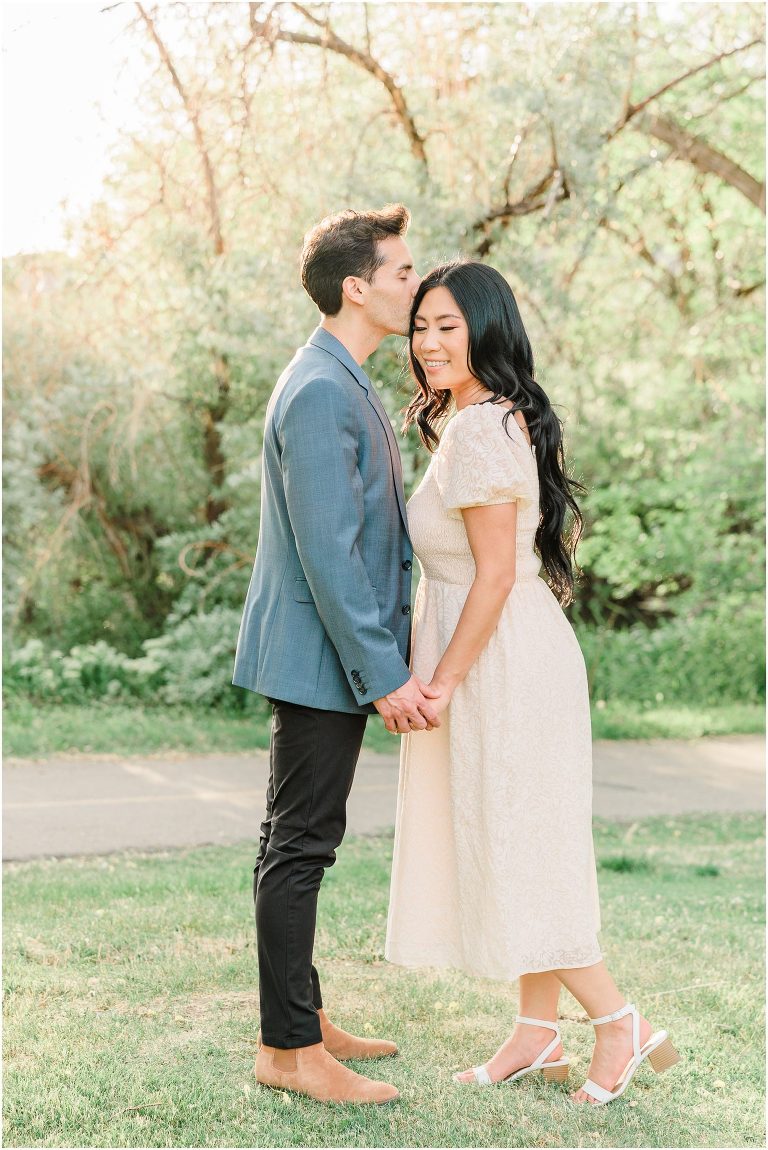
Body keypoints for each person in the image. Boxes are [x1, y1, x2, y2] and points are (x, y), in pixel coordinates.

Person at [385, 260, 680, 1106]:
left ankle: (618, 1022)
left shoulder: (482, 428)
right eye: (422, 326)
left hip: (498, 661)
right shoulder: (480, 419)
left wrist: (438, 683)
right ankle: (537, 1034)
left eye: (449, 325)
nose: (430, 342)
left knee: (522, 846)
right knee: (518, 839)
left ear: (488, 329)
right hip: (508, 653)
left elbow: (492, 578)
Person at [232, 204, 440, 1105]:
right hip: (320, 660)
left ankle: (301, 1016)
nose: (413, 284)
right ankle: (287, 1050)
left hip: (321, 659)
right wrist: (385, 673)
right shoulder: (320, 389)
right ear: (356, 286)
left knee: (294, 840)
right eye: (400, 272)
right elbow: (331, 553)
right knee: (301, 847)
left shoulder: (338, 376)